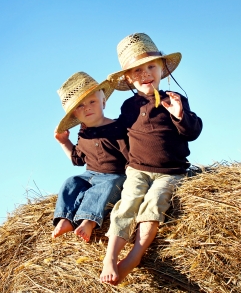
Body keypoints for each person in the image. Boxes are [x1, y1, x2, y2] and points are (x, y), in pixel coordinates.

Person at [99, 33, 203, 285]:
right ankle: (110, 256)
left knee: (154, 204)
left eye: (151, 67)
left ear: (162, 69)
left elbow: (192, 132)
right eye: (137, 70)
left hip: (171, 171)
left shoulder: (174, 99)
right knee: (127, 205)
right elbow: (119, 134)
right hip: (137, 170)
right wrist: (91, 130)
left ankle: (135, 255)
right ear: (127, 78)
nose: (145, 73)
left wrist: (180, 115)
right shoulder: (128, 106)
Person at [52, 72, 129, 243]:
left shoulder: (118, 128)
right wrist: (64, 142)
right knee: (70, 182)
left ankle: (88, 221)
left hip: (114, 175)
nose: (87, 107)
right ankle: (65, 218)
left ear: (103, 102)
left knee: (104, 188)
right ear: (74, 115)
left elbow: (130, 157)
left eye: (92, 101)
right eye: (80, 106)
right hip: (90, 174)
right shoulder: (83, 132)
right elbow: (77, 159)